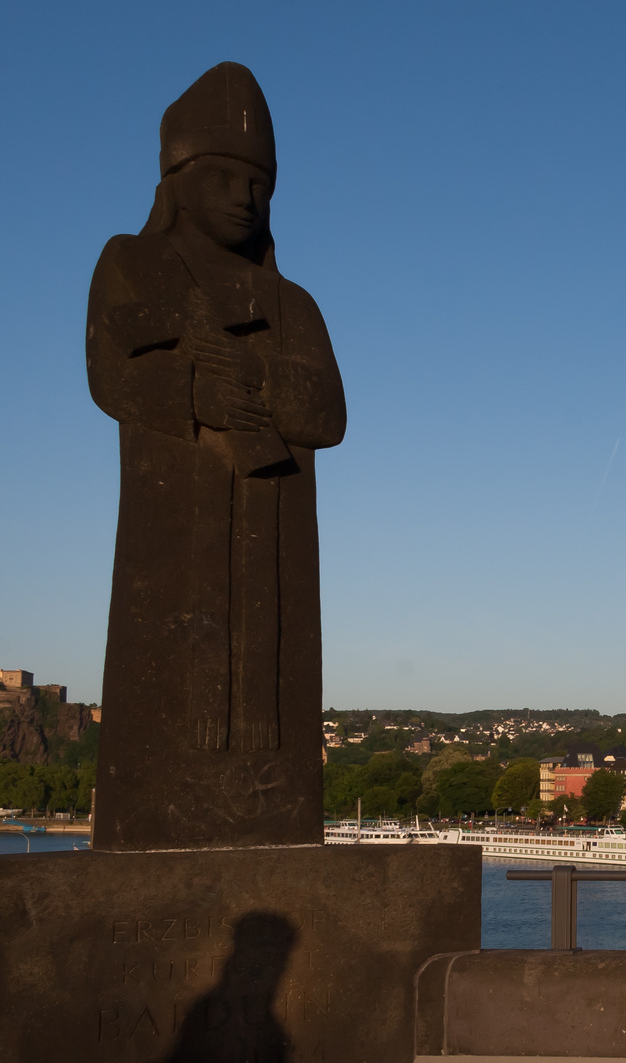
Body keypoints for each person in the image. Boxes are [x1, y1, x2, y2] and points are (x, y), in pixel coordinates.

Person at [87, 63, 345, 850]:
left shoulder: (291, 304)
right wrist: (194, 393)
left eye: (260, 182)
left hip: (275, 533)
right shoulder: (133, 263)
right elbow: (110, 374)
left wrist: (257, 377)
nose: (246, 195)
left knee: (270, 701)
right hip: (171, 532)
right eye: (227, 175)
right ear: (177, 178)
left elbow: (329, 415)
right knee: (165, 674)